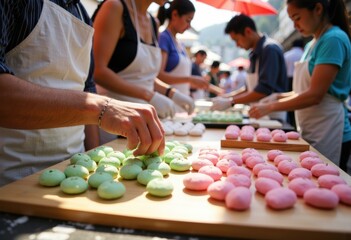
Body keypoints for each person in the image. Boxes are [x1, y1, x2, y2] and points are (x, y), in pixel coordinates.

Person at [0, 0, 165, 186]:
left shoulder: (82, 14)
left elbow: (87, 86)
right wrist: (101, 107)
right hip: (12, 176)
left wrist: (93, 158)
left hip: (75, 168)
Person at [249, 0, 351, 167]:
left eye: (297, 18)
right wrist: (278, 96)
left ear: (317, 9)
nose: (295, 25)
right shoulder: (312, 44)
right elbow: (302, 90)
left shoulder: (333, 39)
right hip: (311, 124)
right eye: (291, 20)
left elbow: (315, 95)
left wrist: (270, 107)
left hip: (330, 127)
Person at [92, 0, 195, 143]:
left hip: (143, 122)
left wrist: (171, 93)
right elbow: (97, 71)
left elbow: (145, 76)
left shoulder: (154, 23)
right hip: (113, 120)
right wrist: (149, 95)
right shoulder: (115, 7)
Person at [211, 14, 288, 122]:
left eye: (237, 40)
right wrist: (226, 97)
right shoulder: (254, 53)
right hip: (258, 114)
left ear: (247, 31)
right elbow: (249, 89)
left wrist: (231, 101)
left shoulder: (269, 49)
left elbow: (263, 90)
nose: (237, 45)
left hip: (273, 117)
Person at [156, 0, 214, 99]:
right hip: (167, 100)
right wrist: (189, 79)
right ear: (175, 15)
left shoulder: (180, 44)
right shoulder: (164, 38)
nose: (189, 26)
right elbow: (159, 76)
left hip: (180, 101)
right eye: (188, 20)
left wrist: (196, 82)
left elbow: (181, 80)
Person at [284, 38, 304, 128]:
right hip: (299, 80)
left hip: (288, 81)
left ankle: (290, 123)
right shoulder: (302, 54)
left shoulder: (286, 55)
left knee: (289, 106)